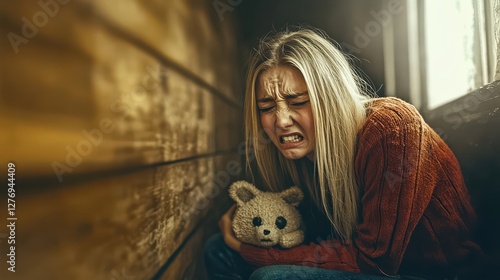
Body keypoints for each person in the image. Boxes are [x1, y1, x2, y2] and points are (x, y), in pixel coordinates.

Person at [204, 28, 489, 280]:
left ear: (330, 97)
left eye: (298, 102)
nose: (280, 121)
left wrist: (250, 251)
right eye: (266, 107)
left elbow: (375, 261)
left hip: (434, 272)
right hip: (375, 262)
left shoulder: (391, 129)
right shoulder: (302, 154)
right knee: (218, 249)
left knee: (272, 276)